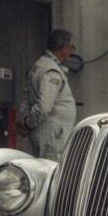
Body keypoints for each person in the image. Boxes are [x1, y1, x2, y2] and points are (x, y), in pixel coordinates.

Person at [16, 29, 77, 161]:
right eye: (71, 47)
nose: (71, 51)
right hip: (53, 137)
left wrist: (27, 122)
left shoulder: (38, 66)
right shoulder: (51, 71)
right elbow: (44, 106)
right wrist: (28, 124)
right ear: (63, 47)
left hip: (46, 133)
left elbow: (26, 100)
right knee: (53, 173)